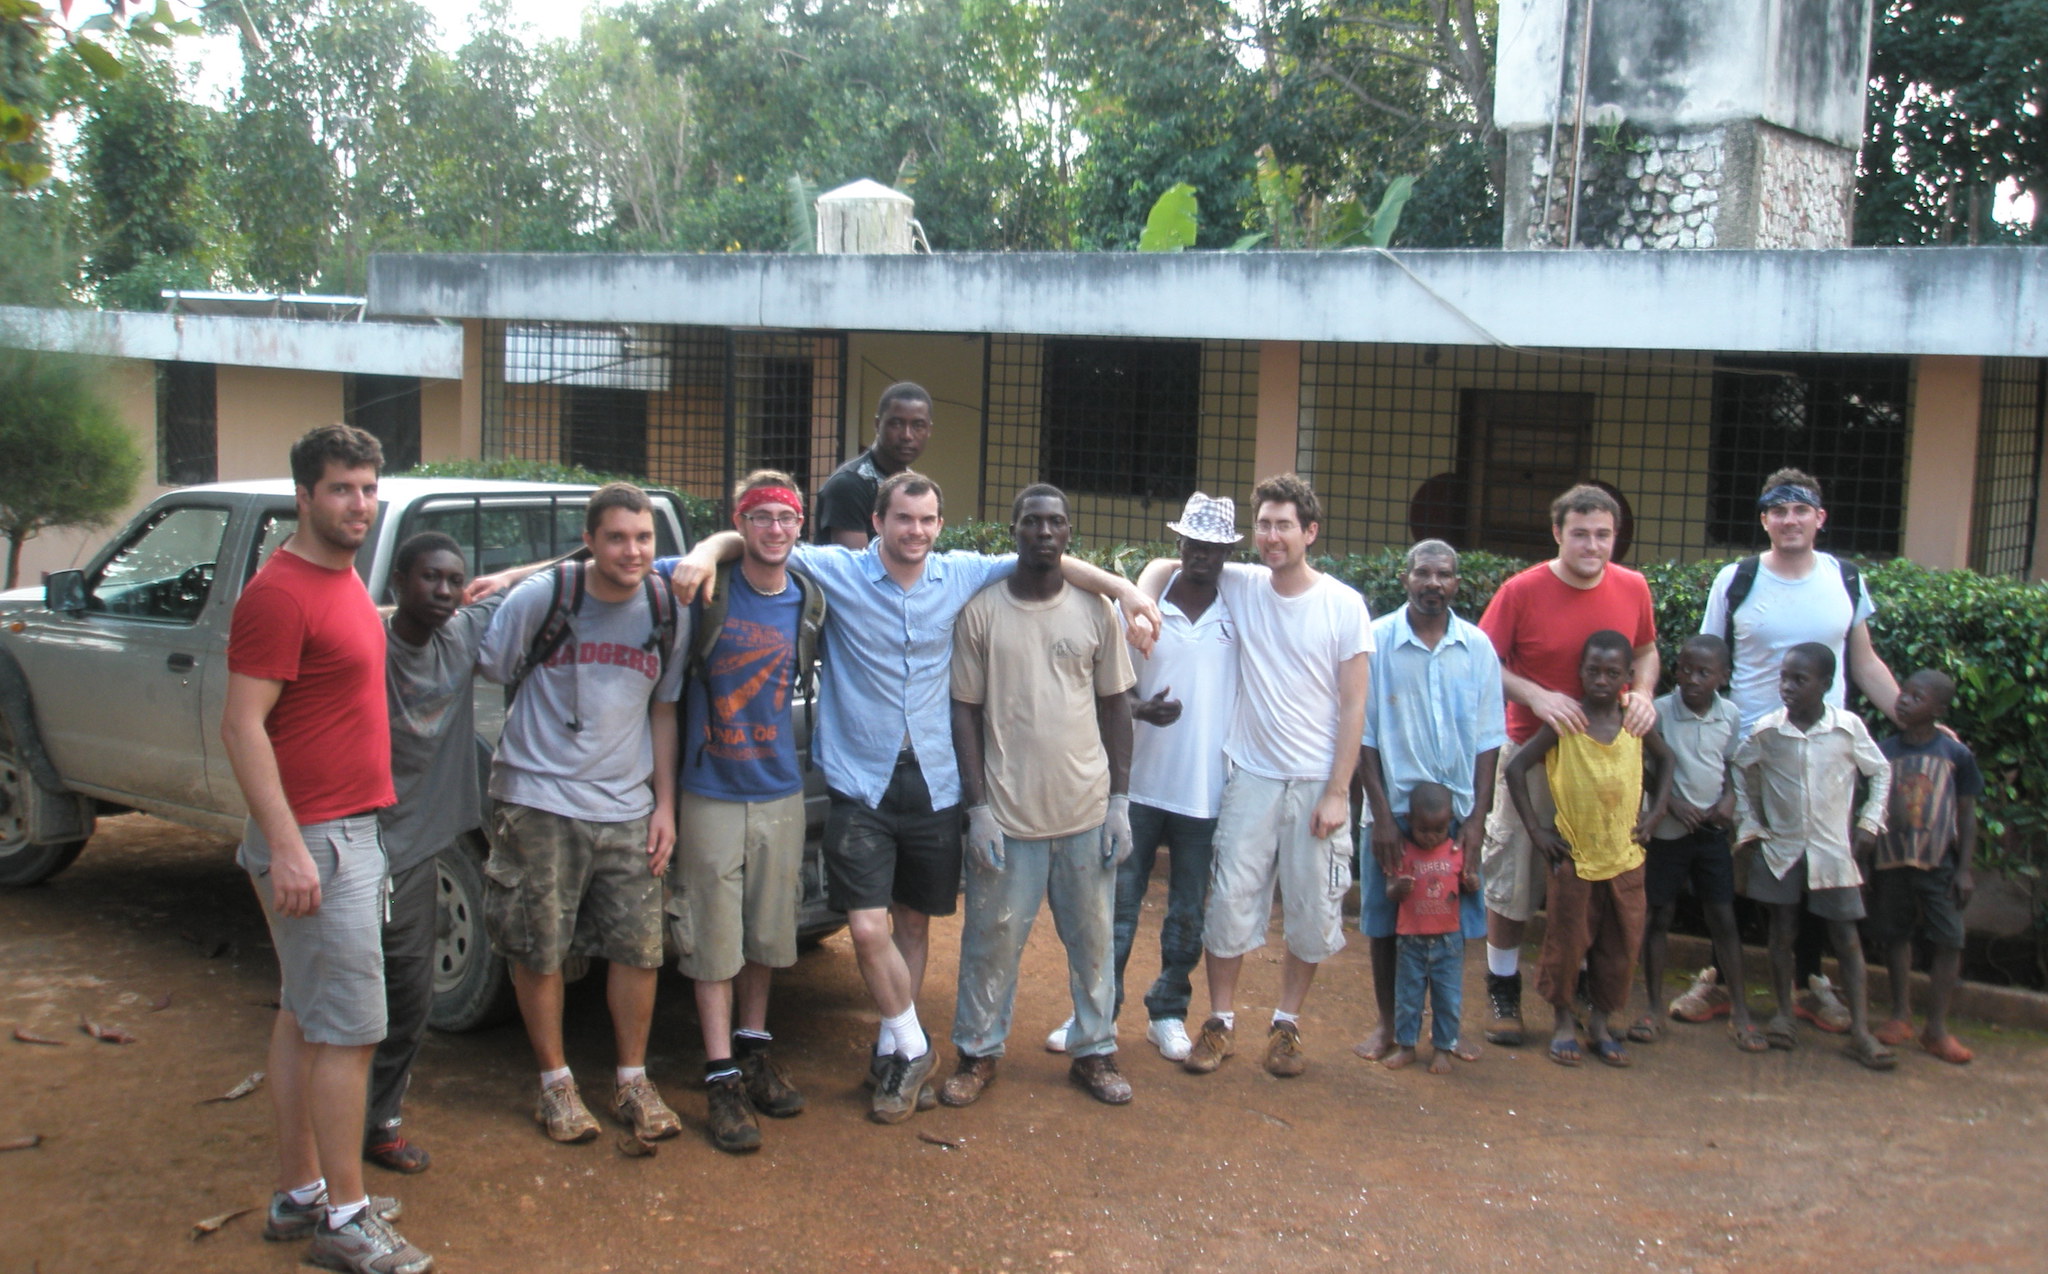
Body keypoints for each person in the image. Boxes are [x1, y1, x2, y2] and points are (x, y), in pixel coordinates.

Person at [666, 471, 1158, 1123]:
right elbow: (759, 536)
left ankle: (889, 1051)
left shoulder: (958, 575)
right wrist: (705, 551)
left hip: (934, 780)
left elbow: (1044, 553)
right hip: (862, 778)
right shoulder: (836, 570)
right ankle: (913, 1040)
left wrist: (1126, 591)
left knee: (913, 925)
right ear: (877, 522)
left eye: (928, 520)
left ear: (940, 524)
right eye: (904, 519)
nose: (917, 532)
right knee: (867, 927)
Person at [219, 424, 432, 1274]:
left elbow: (336, 656)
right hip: (316, 841)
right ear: (303, 496)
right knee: (349, 1031)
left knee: (303, 1015)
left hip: (340, 831)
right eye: (342, 489)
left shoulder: (340, 583)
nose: (360, 504)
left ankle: (299, 1191)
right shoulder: (279, 593)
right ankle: (343, 1221)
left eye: (369, 488)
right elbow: (241, 725)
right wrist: (288, 848)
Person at [1139, 472, 1372, 1079]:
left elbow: (1354, 706)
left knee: (1310, 909)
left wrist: (1337, 792)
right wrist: (1139, 597)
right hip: (1250, 776)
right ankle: (1220, 1022)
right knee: (1229, 908)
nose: (1272, 536)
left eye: (1284, 525)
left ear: (1310, 532)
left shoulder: (1344, 605)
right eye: (1264, 525)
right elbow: (1172, 559)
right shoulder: (1241, 583)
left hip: (1315, 782)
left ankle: (1287, 1025)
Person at [477, 483, 689, 1146]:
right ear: (590, 540)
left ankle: (631, 1078)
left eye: (644, 538)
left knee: (639, 948)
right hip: (540, 799)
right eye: (618, 537)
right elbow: (489, 667)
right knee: (540, 945)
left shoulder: (667, 606)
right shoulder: (545, 597)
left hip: (626, 805)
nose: (632, 550)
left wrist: (665, 806)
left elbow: (663, 707)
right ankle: (556, 1085)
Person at [1689, 468, 1908, 1033]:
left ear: (1819, 518)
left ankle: (1811, 984)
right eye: (1778, 511)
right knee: (1731, 866)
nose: (1790, 520)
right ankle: (1716, 976)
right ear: (1764, 520)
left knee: (1817, 867)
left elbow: (1865, 662)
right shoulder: (1736, 580)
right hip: (1748, 755)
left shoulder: (1845, 579)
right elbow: (1708, 660)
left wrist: (1911, 715)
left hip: (1824, 758)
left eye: (1801, 510)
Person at [943, 484, 1138, 1106]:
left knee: (1093, 941)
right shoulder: (983, 612)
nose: (1044, 532)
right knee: (989, 942)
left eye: (1056, 522)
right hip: (1008, 816)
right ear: (1014, 530)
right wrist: (977, 810)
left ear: (1069, 533)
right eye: (1032, 522)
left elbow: (1117, 709)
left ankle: (1095, 1051)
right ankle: (977, 1052)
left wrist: (1120, 803)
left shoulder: (1094, 611)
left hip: (1085, 813)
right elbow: (964, 714)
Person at [368, 532, 549, 1175]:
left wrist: (499, 581)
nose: (443, 591)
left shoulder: (463, 631)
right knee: (347, 1002)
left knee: (410, 997)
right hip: (354, 844)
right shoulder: (368, 647)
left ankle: (380, 1124)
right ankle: (327, 1129)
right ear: (396, 584)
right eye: (429, 579)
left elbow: (541, 575)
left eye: (454, 580)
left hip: (418, 850)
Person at [655, 471, 821, 1153]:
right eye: (760, 518)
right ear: (739, 523)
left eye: (786, 518)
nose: (774, 530)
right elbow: (633, 559)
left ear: (800, 525)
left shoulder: (808, 598)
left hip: (779, 788)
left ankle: (754, 1052)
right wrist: (665, 804)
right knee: (713, 939)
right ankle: (719, 1075)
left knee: (767, 934)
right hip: (710, 790)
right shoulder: (706, 588)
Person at [1046, 493, 1240, 1063]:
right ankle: (1095, 1011)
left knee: (1187, 910)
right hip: (1135, 785)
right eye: (1193, 545)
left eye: (1213, 548)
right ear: (1178, 545)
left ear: (1228, 552)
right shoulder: (1141, 606)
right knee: (1115, 907)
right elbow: (1107, 685)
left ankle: (1169, 1012)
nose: (1202, 556)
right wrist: (1138, 708)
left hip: (1204, 791)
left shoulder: (1241, 609)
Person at [1475, 484, 1659, 1047]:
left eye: (1604, 535)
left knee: (1599, 879)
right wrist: (1535, 695)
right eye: (1580, 533)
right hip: (1534, 753)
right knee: (1514, 876)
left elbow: (1646, 650)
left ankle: (1583, 991)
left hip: (1608, 764)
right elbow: (1484, 659)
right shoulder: (1522, 590)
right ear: (1558, 533)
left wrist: (1646, 693)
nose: (1593, 546)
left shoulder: (1633, 587)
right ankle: (1503, 987)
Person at [1356, 540, 1503, 1064]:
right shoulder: (1376, 642)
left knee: (1453, 923)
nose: (1433, 583)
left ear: (1457, 584)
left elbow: (1489, 738)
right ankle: (1389, 1026)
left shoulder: (1478, 647)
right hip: (1394, 812)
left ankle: (1447, 1028)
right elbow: (1364, 735)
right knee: (1384, 921)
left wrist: (1477, 821)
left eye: (1444, 575)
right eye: (1423, 573)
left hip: (1456, 814)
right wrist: (1379, 816)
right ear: (1405, 579)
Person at [1505, 630, 1675, 1069]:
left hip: (1626, 860)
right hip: (1575, 860)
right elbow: (1517, 768)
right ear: (1580, 672)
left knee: (1620, 947)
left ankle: (1600, 1023)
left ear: (1627, 676)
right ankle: (1564, 1023)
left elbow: (1668, 760)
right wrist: (1538, 832)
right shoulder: (1567, 722)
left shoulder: (1632, 721)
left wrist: (1655, 815)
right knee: (1566, 942)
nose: (1602, 680)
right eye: (1593, 671)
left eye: (1612, 672)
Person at [1731, 643, 1895, 1069]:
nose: (1787, 687)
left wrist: (1869, 822)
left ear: (1825, 684)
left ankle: (1860, 1030)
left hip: (1833, 852)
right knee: (1781, 932)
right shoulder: (1768, 732)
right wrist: (1751, 824)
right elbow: (1740, 770)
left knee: (1845, 938)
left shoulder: (1847, 728)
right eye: (1784, 678)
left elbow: (1880, 771)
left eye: (1799, 680)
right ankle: (1785, 1014)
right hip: (1782, 850)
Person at [1635, 635, 1763, 1051]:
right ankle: (1653, 1007)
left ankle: (1741, 1012)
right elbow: (1642, 766)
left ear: (1723, 677)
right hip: (1668, 832)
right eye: (1685, 669)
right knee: (1658, 916)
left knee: (1723, 917)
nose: (1692, 679)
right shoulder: (1658, 712)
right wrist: (1670, 803)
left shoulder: (1729, 715)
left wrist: (1728, 801)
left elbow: (1729, 767)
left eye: (1704, 672)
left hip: (1709, 834)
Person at [1870, 669, 1983, 1065]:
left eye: (1917, 697)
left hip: (1939, 864)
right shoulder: (1884, 751)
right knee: (1894, 936)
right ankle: (1900, 1015)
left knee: (1949, 939)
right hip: (1892, 860)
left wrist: (1964, 868)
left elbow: (1967, 814)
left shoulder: (1955, 755)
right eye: (1904, 693)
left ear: (1938, 709)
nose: (1903, 700)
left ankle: (1936, 1028)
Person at [1380, 782, 1478, 1075]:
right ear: (1409, 821)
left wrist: (1473, 884)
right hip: (1411, 940)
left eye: (1438, 829)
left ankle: (1443, 1049)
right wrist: (1398, 887)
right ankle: (1406, 1047)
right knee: (1407, 998)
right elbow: (1389, 890)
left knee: (1447, 1000)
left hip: (1448, 941)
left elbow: (1470, 883)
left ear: (1450, 821)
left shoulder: (1457, 850)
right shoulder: (1402, 851)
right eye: (1423, 830)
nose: (1431, 836)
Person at [813, 382, 933, 547]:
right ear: (877, 425)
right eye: (896, 424)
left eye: (917, 426)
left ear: (929, 430)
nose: (907, 435)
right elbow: (855, 567)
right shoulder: (850, 485)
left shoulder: (912, 483)